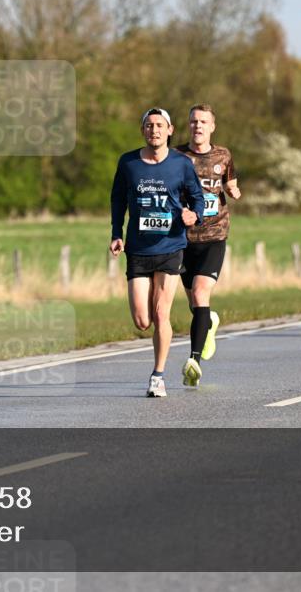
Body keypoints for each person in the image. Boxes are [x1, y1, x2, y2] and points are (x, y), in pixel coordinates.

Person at [110, 108, 205, 397]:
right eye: (149, 126)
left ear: (170, 130)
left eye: (160, 126)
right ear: (143, 131)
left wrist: (195, 215)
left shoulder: (182, 164)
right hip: (138, 249)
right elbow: (117, 199)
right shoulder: (128, 163)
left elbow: (198, 197)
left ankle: (157, 376)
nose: (154, 130)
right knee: (142, 320)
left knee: (162, 313)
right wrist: (117, 232)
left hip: (170, 246)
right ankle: (157, 367)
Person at [174, 104, 241, 386]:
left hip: (214, 237)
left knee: (201, 294)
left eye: (203, 121)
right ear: (188, 126)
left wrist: (233, 190)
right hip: (184, 239)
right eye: (193, 121)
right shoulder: (176, 156)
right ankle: (209, 322)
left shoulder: (223, 155)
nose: (198, 125)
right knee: (195, 303)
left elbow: (231, 181)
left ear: (212, 126)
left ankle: (194, 362)